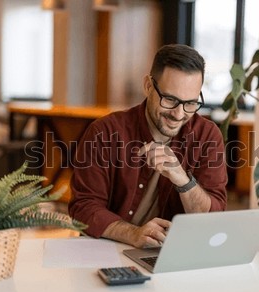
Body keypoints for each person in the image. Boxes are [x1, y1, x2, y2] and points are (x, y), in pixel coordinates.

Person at [68, 44, 227, 248]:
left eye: (190, 103)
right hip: (110, 247)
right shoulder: (104, 132)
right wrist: (133, 234)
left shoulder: (207, 135)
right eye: (169, 99)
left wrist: (182, 180)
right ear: (148, 86)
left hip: (172, 253)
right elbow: (84, 208)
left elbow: (213, 219)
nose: (179, 114)